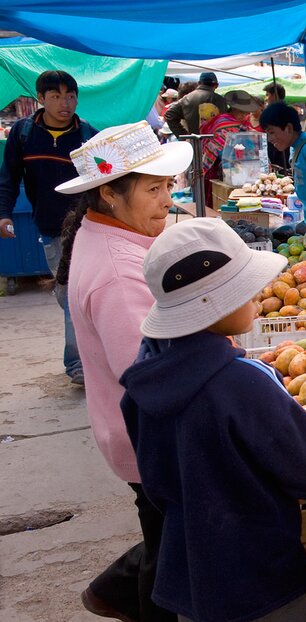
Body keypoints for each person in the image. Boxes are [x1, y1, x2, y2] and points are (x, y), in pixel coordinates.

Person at [120, 217, 306, 622]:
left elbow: (156, 482)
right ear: (214, 305)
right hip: (262, 580)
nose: (259, 295)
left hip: (191, 571)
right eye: (247, 289)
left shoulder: (142, 382)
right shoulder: (242, 383)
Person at [54, 120, 192, 620]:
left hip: (126, 428)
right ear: (110, 193)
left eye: (168, 186)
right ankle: (135, 599)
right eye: (153, 188)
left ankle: (111, 590)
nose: (166, 198)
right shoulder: (117, 272)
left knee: (162, 528)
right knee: (170, 552)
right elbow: (149, 374)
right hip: (148, 435)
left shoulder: (107, 234)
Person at [0, 70, 97, 385]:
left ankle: (80, 363)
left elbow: (105, 181)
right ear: (40, 99)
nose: (64, 103)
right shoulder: (24, 134)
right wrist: (4, 214)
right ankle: (82, 358)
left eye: (70, 95)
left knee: (80, 296)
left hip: (92, 227)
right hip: (52, 228)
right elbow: (8, 178)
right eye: (55, 96)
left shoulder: (88, 137)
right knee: (69, 296)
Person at [199, 90, 259, 205]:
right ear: (233, 109)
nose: (244, 115)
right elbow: (216, 147)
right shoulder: (222, 122)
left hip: (241, 170)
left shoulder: (244, 124)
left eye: (246, 113)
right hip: (217, 169)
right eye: (241, 112)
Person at [164, 72, 227, 137]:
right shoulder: (221, 101)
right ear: (216, 85)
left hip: (195, 142)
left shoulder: (188, 98)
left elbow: (169, 114)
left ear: (199, 83)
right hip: (217, 142)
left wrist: (184, 135)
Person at [262, 83, 289, 170]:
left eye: (268, 95)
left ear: (274, 95)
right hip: (273, 146)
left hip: (280, 148)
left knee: (280, 169)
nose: (266, 98)